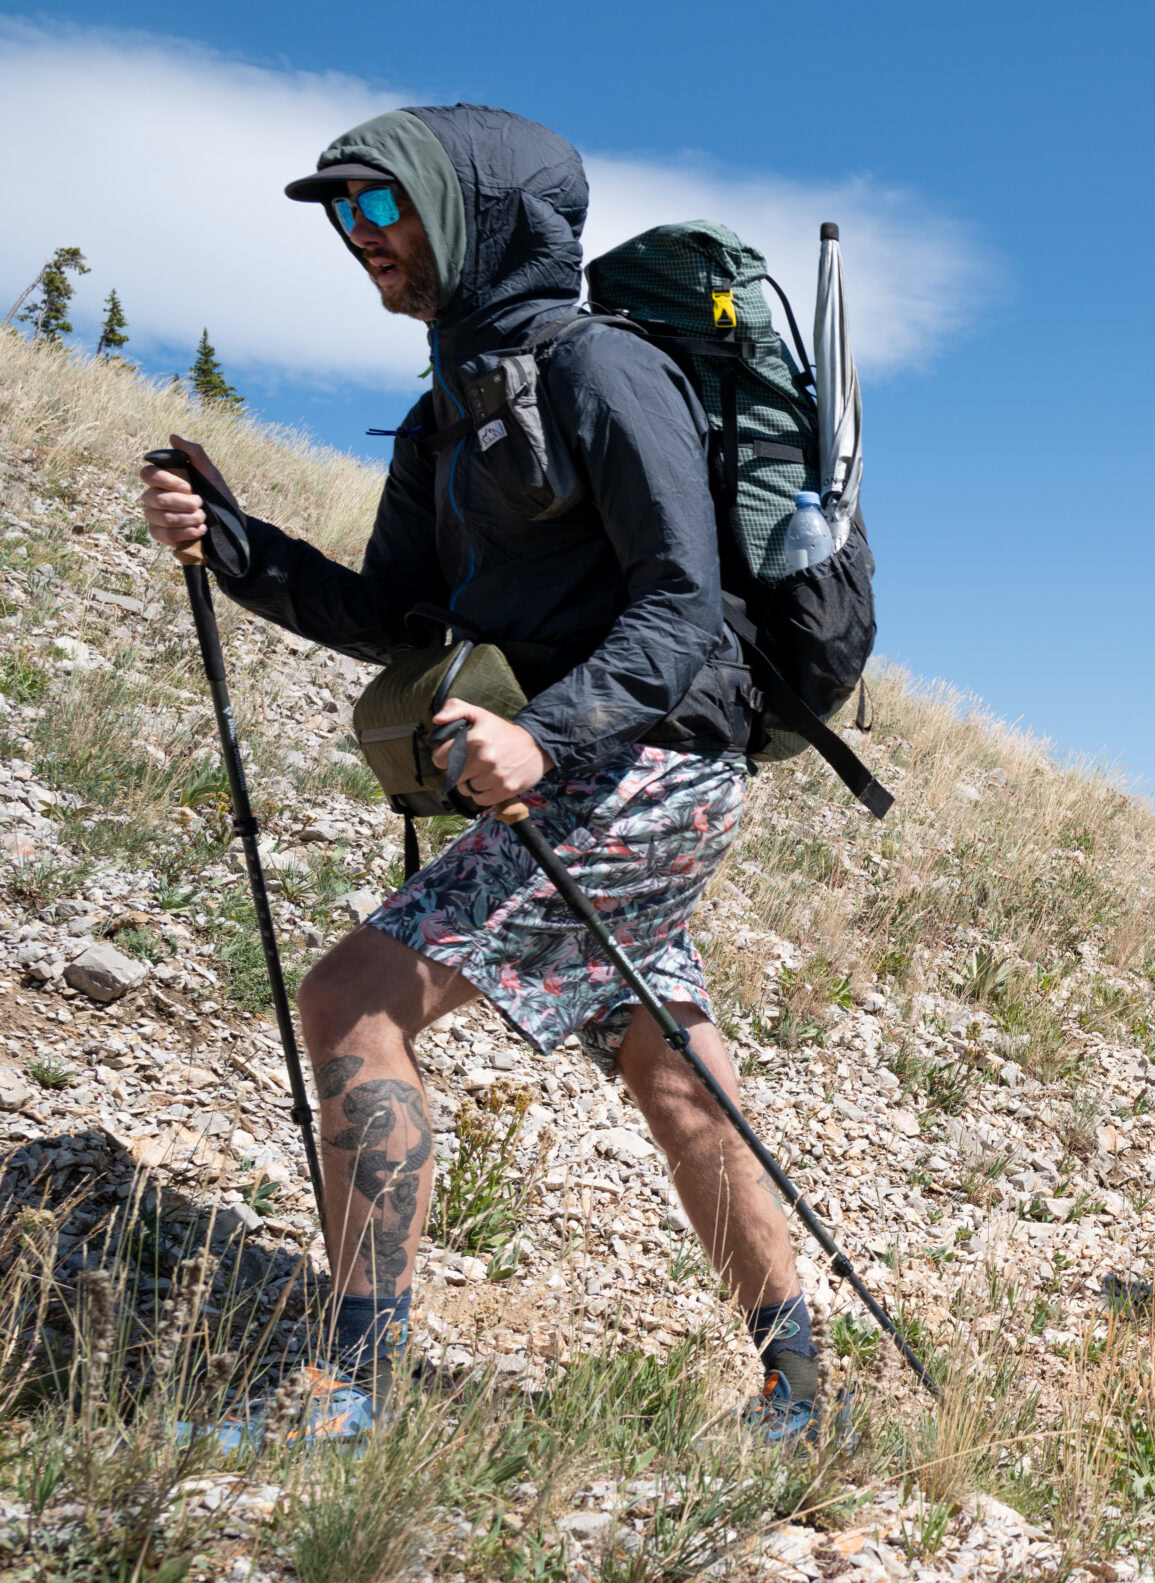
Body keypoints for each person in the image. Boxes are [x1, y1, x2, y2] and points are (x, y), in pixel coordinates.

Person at [136, 106, 823, 1443]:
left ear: (471, 215)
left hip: (645, 759)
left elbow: (681, 608)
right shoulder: (438, 413)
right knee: (668, 1062)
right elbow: (394, 613)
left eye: (382, 210)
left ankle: (351, 1389)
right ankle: (802, 1392)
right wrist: (236, 545)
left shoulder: (606, 372)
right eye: (342, 216)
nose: (359, 241)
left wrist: (541, 735)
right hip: (602, 765)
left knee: (351, 996)